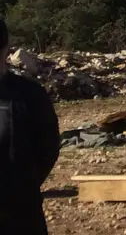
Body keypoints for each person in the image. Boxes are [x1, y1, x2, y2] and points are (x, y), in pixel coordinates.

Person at [0, 18, 60, 235]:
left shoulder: (29, 96)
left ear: (5, 49)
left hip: (21, 214)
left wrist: (23, 185)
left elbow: (48, 147)